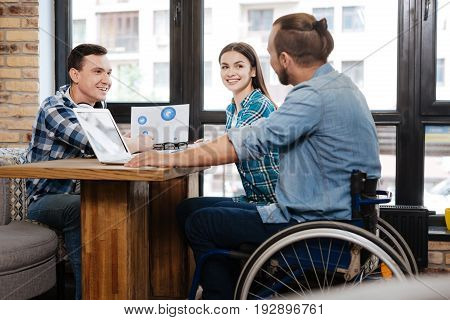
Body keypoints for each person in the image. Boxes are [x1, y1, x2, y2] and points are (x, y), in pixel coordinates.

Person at [126, 13, 381, 299]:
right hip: (333, 213)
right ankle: (239, 287)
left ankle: (223, 301)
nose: (270, 63)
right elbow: (255, 135)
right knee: (189, 209)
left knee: (200, 223)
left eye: (270, 54)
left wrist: (168, 158)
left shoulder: (312, 95)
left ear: (284, 59)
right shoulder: (339, 85)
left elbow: (249, 142)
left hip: (312, 224)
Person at [26, 43, 149, 299]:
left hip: (84, 192)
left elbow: (111, 149)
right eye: (98, 72)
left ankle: (130, 294)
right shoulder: (55, 107)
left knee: (130, 203)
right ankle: (90, 300)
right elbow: (95, 143)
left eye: (109, 73)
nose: (106, 80)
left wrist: (121, 142)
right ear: (75, 74)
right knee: (81, 209)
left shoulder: (98, 110)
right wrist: (137, 143)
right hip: (44, 200)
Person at [176, 42, 279, 233]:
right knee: (187, 208)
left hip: (273, 203)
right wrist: (204, 145)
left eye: (239, 66)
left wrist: (184, 152)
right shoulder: (233, 109)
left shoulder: (259, 105)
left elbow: (232, 149)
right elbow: (232, 140)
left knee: (197, 216)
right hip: (254, 198)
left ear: (253, 71)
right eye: (225, 67)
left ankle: (220, 262)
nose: (230, 72)